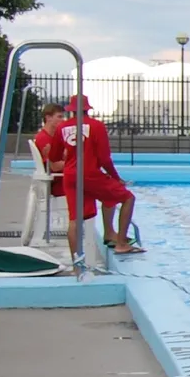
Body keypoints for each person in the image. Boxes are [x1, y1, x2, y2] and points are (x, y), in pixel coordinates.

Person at [48, 95, 141, 258]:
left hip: (70, 177)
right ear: (87, 109)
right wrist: (116, 177)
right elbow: (104, 158)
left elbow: (54, 157)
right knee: (128, 198)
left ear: (71, 110)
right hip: (90, 174)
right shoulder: (97, 126)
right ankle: (121, 244)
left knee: (75, 220)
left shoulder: (62, 127)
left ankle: (77, 263)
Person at [33, 103, 66, 200]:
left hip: (62, 178)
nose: (63, 120)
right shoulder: (44, 139)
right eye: (59, 117)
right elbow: (54, 166)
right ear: (48, 118)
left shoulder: (55, 137)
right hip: (59, 182)